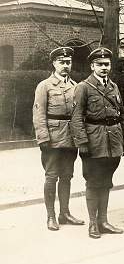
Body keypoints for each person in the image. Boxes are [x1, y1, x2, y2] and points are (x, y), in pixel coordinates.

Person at [71, 47, 124, 239]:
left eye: (107, 64)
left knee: (106, 182)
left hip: (113, 141)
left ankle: (104, 221)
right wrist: (82, 144)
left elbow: (121, 115)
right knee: (94, 182)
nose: (104, 68)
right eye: (100, 64)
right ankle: (93, 223)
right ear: (92, 66)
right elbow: (77, 118)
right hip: (94, 142)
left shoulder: (113, 86)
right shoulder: (83, 87)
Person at [33, 47, 85, 231]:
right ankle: (51, 216)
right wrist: (43, 138)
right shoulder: (45, 86)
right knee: (51, 176)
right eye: (62, 62)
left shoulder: (76, 86)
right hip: (53, 138)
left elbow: (78, 113)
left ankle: (65, 213)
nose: (65, 66)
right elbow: (39, 113)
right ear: (54, 63)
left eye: (68, 62)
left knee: (67, 176)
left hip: (70, 138)